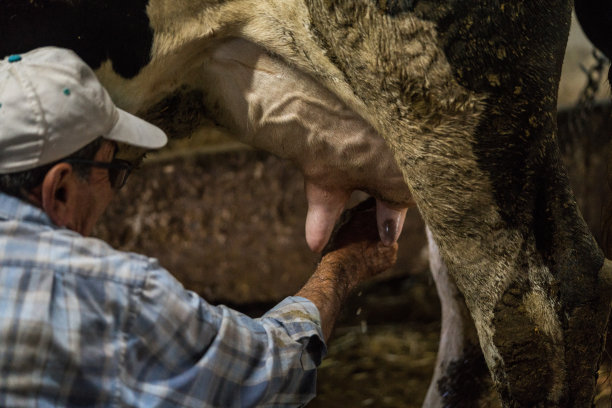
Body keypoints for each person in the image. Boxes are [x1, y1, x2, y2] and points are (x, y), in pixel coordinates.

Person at [0, 46, 398, 407]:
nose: (113, 194)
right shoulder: (112, 294)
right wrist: (341, 266)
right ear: (61, 190)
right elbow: (263, 373)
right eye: (113, 170)